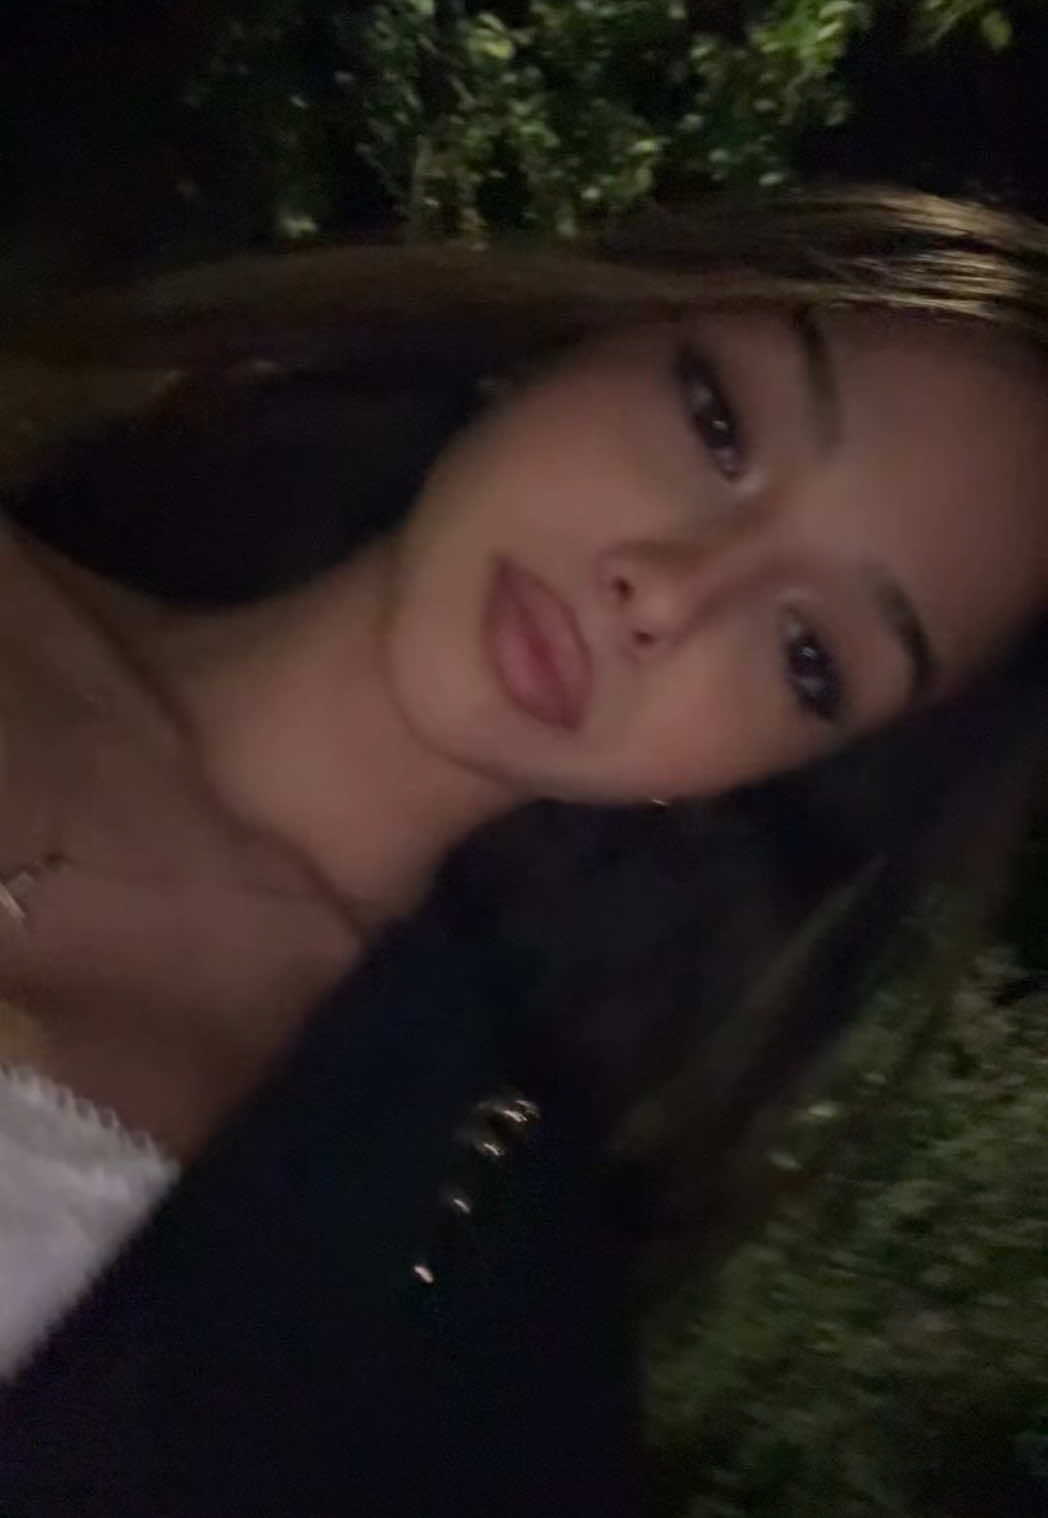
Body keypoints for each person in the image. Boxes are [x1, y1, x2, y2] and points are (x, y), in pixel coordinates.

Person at [0, 184, 1044, 1515]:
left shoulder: (457, 1322)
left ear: (780, 770)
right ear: (574, 342)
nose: (669, 590)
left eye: (807, 656)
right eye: (719, 423)